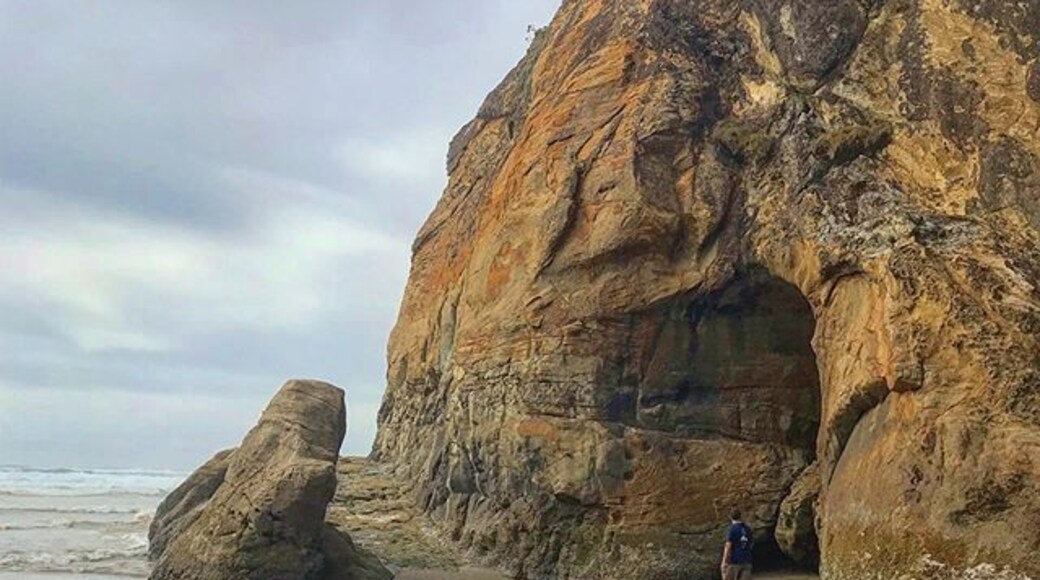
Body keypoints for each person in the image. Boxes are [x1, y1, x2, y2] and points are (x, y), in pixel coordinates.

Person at [721, 508, 753, 580]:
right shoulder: (748, 529)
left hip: (734, 561)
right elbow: (750, 544)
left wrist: (724, 561)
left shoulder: (732, 529)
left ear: (730, 517)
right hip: (747, 561)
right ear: (740, 516)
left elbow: (728, 546)